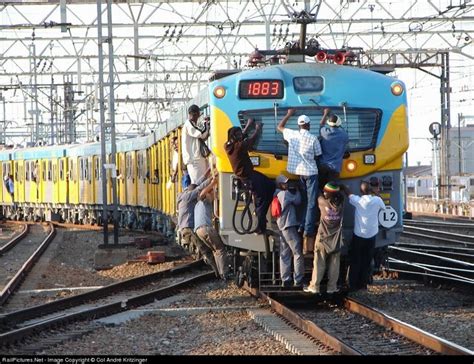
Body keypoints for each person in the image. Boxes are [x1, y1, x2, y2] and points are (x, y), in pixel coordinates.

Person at [277, 108, 322, 252]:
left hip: (298, 173)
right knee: (311, 202)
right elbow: (318, 155)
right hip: (311, 173)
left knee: (303, 200)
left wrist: (288, 114)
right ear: (308, 125)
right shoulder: (313, 138)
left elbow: (280, 127)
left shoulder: (292, 135)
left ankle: (301, 224)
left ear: (299, 125)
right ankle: (308, 230)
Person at [224, 119, 275, 234]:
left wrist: (248, 125)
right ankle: (260, 226)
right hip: (248, 177)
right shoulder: (238, 147)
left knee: (270, 186)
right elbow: (250, 141)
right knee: (262, 197)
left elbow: (242, 138)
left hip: (249, 174)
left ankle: (260, 217)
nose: (240, 135)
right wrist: (257, 129)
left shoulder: (229, 145)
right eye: (237, 135)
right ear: (233, 137)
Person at [341, 181, 386, 291]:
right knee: (367, 260)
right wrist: (376, 193)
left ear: (361, 191)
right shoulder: (377, 200)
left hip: (359, 235)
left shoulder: (358, 200)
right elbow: (384, 207)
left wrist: (343, 187)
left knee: (356, 260)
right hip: (371, 235)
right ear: (370, 190)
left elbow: (349, 193)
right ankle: (363, 284)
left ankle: (353, 284)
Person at [304, 182, 345, 294]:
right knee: (335, 264)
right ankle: (332, 287)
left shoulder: (322, 202)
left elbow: (316, 193)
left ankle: (314, 286)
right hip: (336, 239)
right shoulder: (341, 204)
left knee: (319, 263)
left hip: (323, 238)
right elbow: (340, 194)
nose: (324, 193)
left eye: (326, 191)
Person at [177, 171, 219, 276]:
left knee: (206, 248)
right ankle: (217, 272)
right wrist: (211, 181)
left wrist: (206, 173)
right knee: (206, 250)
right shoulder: (188, 197)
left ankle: (217, 270)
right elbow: (198, 189)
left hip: (187, 228)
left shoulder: (183, 194)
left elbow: (196, 184)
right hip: (189, 228)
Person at [194, 175, 229, 280]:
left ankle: (219, 273)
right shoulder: (203, 200)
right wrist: (213, 183)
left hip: (198, 231)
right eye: (213, 193)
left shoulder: (197, 206)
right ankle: (225, 274)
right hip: (205, 228)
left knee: (215, 250)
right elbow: (202, 194)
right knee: (221, 249)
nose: (215, 195)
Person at [274, 174, 304, 288]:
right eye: (284, 183)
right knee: (297, 253)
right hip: (289, 226)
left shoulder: (276, 194)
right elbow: (298, 200)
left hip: (281, 227)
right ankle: (298, 280)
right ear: (280, 184)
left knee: (285, 253)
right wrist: (297, 190)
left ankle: (285, 279)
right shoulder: (284, 194)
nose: (287, 184)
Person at [318, 108, 349, 189]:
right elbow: (344, 132)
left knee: (321, 188)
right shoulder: (344, 135)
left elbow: (321, 124)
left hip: (323, 166)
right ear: (339, 123)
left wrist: (325, 113)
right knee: (332, 189)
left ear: (329, 123)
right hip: (335, 168)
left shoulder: (324, 132)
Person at [181, 105, 210, 184]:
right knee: (198, 184)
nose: (197, 118)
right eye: (197, 115)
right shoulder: (189, 124)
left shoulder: (192, 124)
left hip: (197, 159)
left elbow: (203, 136)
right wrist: (206, 125)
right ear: (195, 114)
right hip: (194, 160)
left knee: (204, 183)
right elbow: (200, 134)